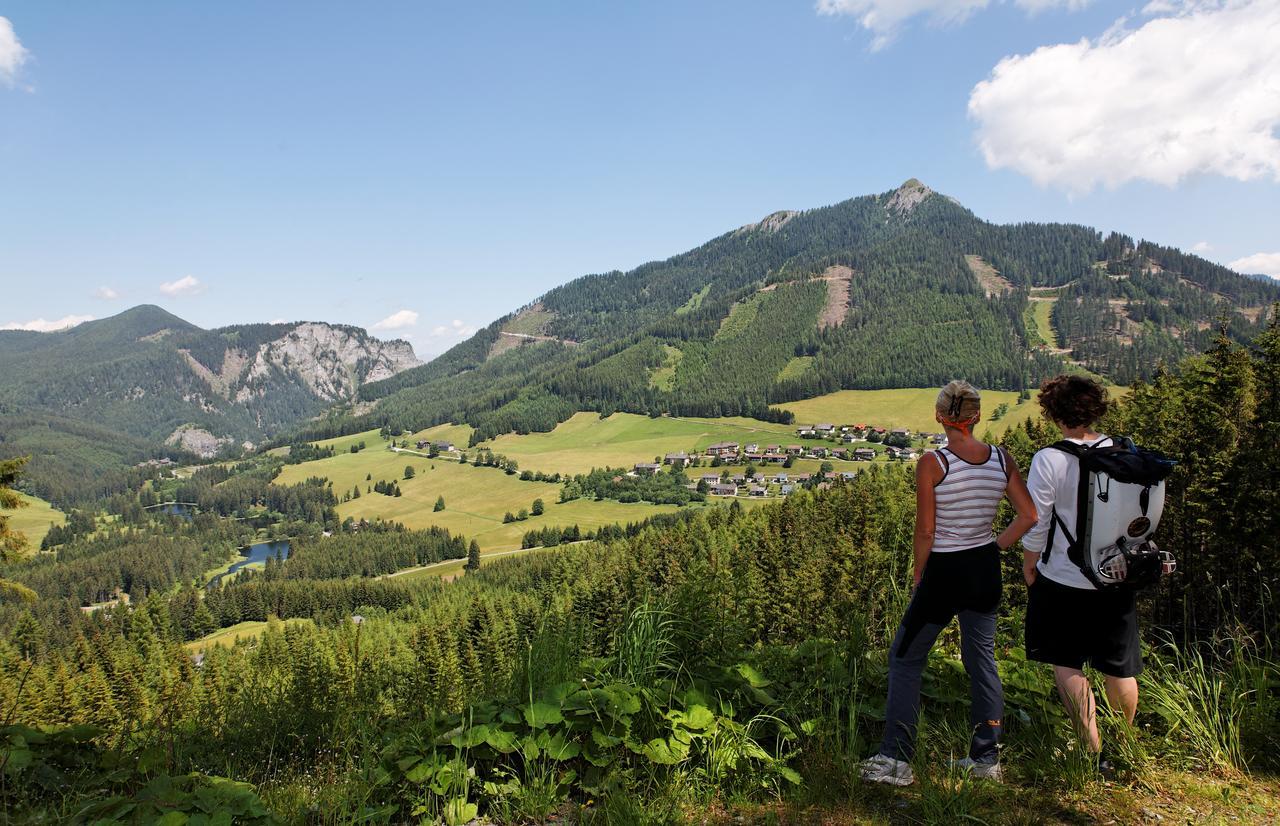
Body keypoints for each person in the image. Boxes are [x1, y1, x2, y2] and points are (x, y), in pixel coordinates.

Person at [860, 381, 1037, 786]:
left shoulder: (933, 463)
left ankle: (897, 759)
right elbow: (1028, 515)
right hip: (984, 569)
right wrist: (996, 545)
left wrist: (919, 572)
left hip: (944, 569)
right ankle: (986, 759)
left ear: (940, 416)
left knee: (905, 658)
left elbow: (925, 529)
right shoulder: (1000, 458)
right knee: (982, 660)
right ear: (975, 416)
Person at [1021, 374, 1164, 768]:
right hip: (1118, 573)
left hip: (1065, 577)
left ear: (1053, 412)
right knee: (1119, 666)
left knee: (1067, 662)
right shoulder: (1121, 452)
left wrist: (1029, 563)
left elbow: (1037, 521)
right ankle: (1126, 746)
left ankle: (1091, 750)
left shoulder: (1049, 458)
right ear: (1095, 408)